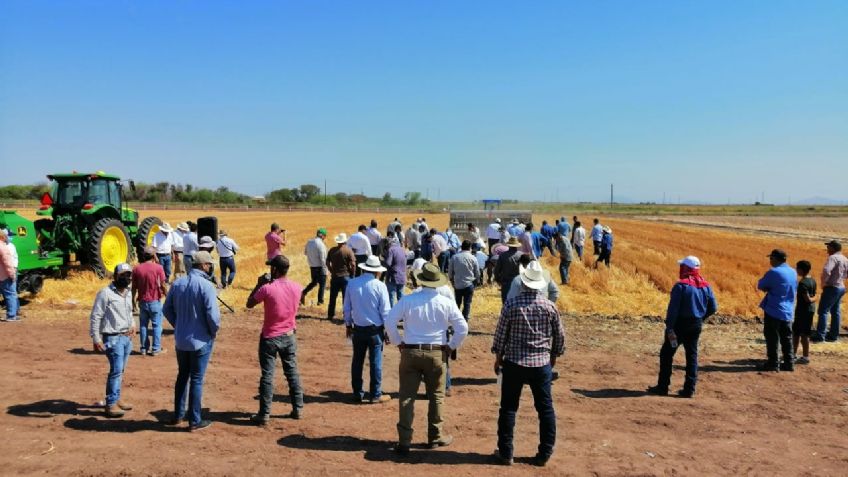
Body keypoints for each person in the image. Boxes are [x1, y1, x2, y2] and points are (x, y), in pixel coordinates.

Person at [386, 263, 469, 455]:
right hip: (436, 353)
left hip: (411, 352)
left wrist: (399, 342)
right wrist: (450, 347)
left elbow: (390, 321)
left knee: (407, 397)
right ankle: (435, 436)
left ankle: (404, 440)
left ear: (420, 280)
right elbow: (462, 328)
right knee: (436, 397)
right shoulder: (445, 302)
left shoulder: (408, 300)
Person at [491, 260, 565, 467]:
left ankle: (506, 453)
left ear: (523, 283)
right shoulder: (550, 307)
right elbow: (559, 338)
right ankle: (545, 452)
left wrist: (498, 358)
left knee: (508, 408)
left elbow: (500, 335)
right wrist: (553, 358)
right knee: (545, 408)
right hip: (541, 364)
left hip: (514, 362)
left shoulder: (511, 305)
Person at [163, 251, 221, 431]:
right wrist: (212, 332)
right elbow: (213, 316)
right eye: (209, 264)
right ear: (204, 265)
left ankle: (178, 414)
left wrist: (178, 325)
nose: (210, 267)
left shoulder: (177, 283)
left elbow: (167, 309)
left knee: (182, 376)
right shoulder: (206, 286)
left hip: (181, 340)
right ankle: (194, 420)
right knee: (196, 378)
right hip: (200, 340)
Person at [647, 256, 718, 398]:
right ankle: (689, 389)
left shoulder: (681, 286)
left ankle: (663, 387)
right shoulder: (706, 286)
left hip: (679, 325)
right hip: (696, 325)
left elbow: (673, 310)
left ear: (686, 268)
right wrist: (700, 318)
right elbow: (713, 307)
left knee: (667, 354)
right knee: (692, 356)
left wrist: (670, 328)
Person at [246, 255, 305, 424]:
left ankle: (264, 414)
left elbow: (249, 304)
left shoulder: (267, 288)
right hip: (289, 335)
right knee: (292, 373)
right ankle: (298, 408)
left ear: (274, 270)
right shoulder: (297, 288)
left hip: (270, 337)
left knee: (267, 375)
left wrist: (259, 284)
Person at [89, 263, 136, 417]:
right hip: (113, 338)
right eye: (123, 275)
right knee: (116, 371)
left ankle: (117, 399)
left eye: (129, 275)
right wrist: (96, 339)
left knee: (121, 370)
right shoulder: (105, 294)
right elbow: (96, 316)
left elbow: (129, 312)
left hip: (126, 337)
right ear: (115, 276)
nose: (127, 278)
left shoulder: (128, 293)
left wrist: (133, 324)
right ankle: (110, 404)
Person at [344, 255, 392, 404]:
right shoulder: (380, 286)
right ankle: (375, 394)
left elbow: (347, 308)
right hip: (375, 330)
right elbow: (385, 311)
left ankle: (357, 393)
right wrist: (388, 331)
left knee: (357, 361)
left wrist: (348, 324)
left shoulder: (352, 284)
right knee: (375, 362)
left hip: (358, 329)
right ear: (377, 271)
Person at [757, 249, 797, 372]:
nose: (770, 261)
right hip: (788, 310)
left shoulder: (774, 272)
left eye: (771, 258)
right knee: (787, 337)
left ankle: (773, 363)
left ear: (775, 259)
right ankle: (789, 363)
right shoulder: (793, 271)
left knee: (772, 337)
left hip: (774, 309)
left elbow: (761, 285)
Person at [132, 246, 168, 356]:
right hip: (155, 300)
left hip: (142, 301)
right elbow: (163, 284)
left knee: (143, 325)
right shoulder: (158, 268)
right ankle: (156, 349)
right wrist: (167, 296)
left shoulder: (137, 269)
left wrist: (133, 301)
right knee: (157, 325)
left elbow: (134, 287)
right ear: (153, 256)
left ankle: (143, 348)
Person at [812, 240, 848, 343]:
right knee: (836, 311)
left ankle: (820, 336)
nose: (827, 249)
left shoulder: (833, 258)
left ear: (832, 248)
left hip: (832, 287)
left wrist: (824, 283)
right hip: (840, 287)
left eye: (828, 247)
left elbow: (827, 270)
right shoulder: (845, 259)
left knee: (823, 311)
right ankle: (833, 335)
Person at [326, 233, 356, 321]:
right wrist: (352, 274)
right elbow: (353, 264)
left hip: (335, 276)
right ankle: (346, 316)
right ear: (345, 241)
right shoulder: (348, 251)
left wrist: (331, 270)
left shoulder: (332, 250)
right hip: (346, 277)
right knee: (346, 298)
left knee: (332, 296)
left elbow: (327, 262)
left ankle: (330, 315)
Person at [448, 240, 480, 321]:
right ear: (470, 248)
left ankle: (455, 320)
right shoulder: (473, 258)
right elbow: (477, 273)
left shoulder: (454, 257)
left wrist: (452, 281)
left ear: (461, 247)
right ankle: (464, 320)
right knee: (467, 304)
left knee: (457, 303)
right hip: (469, 284)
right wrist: (476, 283)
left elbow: (450, 272)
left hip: (457, 284)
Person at [793, 260, 817, 364]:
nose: (796, 270)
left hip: (803, 311)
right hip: (810, 310)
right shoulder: (812, 280)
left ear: (801, 270)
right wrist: (815, 298)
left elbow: (807, 299)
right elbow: (816, 294)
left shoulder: (802, 283)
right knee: (805, 333)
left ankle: (793, 355)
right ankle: (804, 356)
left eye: (797, 268)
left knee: (798, 334)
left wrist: (812, 299)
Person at [301, 228, 328, 306]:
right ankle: (320, 302)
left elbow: (305, 253)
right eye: (325, 236)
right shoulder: (321, 245)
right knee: (322, 285)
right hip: (320, 267)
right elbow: (323, 259)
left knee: (314, 282)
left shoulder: (309, 242)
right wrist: (326, 269)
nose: (325, 238)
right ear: (322, 236)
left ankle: (303, 293)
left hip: (312, 267)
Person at [494, 237, 524, 303]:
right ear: (517, 246)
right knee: (518, 300)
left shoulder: (502, 255)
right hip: (519, 281)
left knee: (505, 300)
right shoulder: (521, 255)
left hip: (506, 281)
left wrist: (497, 279)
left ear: (509, 245)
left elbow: (497, 269)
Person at [0, 230, 19, 322]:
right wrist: (12, 275)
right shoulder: (3, 247)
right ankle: (12, 316)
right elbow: (7, 263)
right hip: (4, 275)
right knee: (10, 294)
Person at [384, 234, 408, 306]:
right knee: (400, 297)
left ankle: (392, 314)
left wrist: (383, 261)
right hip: (402, 276)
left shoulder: (391, 250)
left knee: (391, 296)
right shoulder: (402, 250)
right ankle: (402, 314)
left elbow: (388, 263)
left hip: (393, 277)